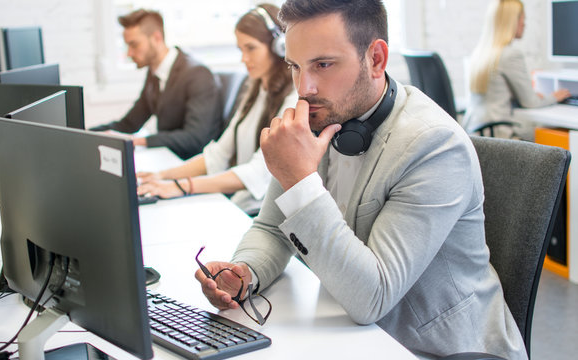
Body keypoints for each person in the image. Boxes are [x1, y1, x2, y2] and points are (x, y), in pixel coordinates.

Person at [194, 0, 527, 358]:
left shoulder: (434, 145)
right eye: (295, 66)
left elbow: (373, 297)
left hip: (438, 349)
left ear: (376, 60)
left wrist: (299, 180)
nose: (304, 88)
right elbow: (273, 228)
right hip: (356, 338)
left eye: (323, 64)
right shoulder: (323, 118)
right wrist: (245, 271)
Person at [136, 4, 297, 215]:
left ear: (279, 47)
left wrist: (181, 186)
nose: (243, 59)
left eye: (251, 48)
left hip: (264, 213)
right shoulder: (255, 89)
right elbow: (219, 154)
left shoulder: (293, 99)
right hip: (242, 203)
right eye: (240, 50)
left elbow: (257, 173)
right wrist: (163, 176)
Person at [90, 9, 223, 159]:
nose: (129, 53)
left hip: (188, 163)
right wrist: (86, 133)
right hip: (167, 157)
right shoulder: (154, 74)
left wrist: (139, 141)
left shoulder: (197, 74)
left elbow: (195, 138)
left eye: (134, 45)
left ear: (156, 38)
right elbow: (129, 124)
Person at [464, 0, 570, 140]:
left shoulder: (480, 53)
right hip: (498, 135)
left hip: (475, 133)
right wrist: (554, 97)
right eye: (522, 18)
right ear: (511, 21)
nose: (524, 24)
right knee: (548, 142)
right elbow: (530, 102)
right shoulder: (510, 55)